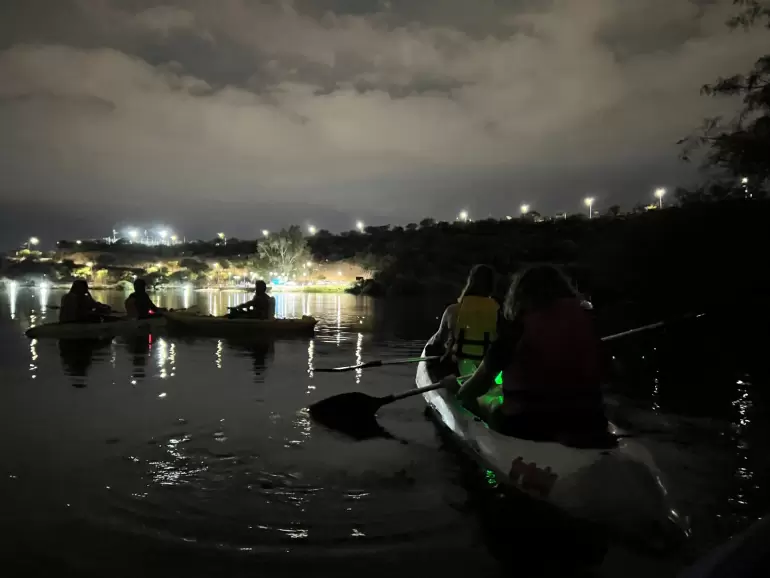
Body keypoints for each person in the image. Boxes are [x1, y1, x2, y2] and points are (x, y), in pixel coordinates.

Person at [442, 265, 608, 446]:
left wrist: (454, 388)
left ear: (519, 296)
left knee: (484, 402)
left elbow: (475, 387)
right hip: (591, 422)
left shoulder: (516, 330)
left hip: (528, 426)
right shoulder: (590, 322)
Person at [430, 264, 500, 376]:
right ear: (492, 286)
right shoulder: (499, 311)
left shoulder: (453, 310)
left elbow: (439, 340)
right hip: (488, 368)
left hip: (461, 367)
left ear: (470, 282)